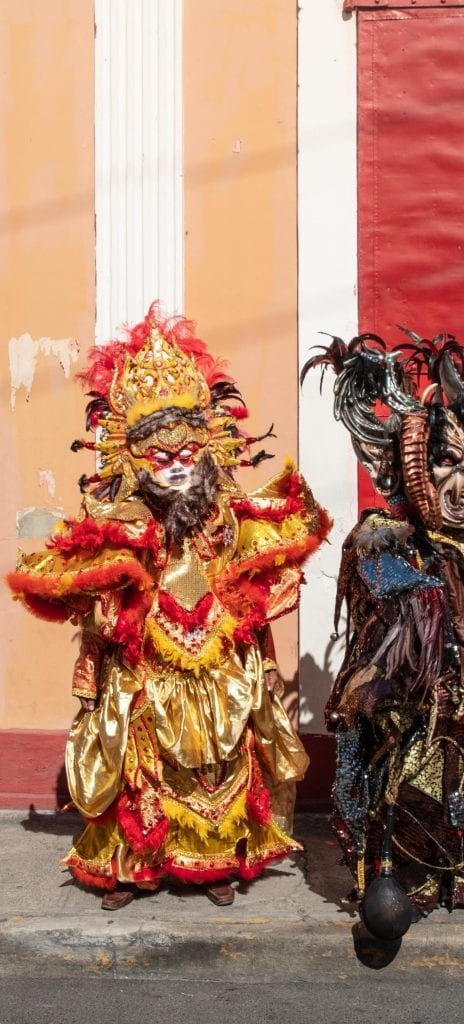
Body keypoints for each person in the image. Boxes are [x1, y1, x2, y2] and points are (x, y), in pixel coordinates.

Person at [8, 304, 330, 910]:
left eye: (187, 450)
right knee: (141, 760)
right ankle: (135, 868)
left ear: (209, 447)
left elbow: (260, 571)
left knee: (222, 753)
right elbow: (89, 593)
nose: (178, 463)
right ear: (131, 458)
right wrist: (106, 618)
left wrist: (253, 605)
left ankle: (217, 864)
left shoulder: (228, 516)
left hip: (216, 660)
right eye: (161, 455)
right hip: (144, 665)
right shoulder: (115, 521)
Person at [303, 331, 464, 926]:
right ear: (414, 475)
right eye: (446, 462)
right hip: (426, 702)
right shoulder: (388, 537)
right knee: (416, 787)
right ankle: (410, 886)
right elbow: (383, 602)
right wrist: (417, 598)